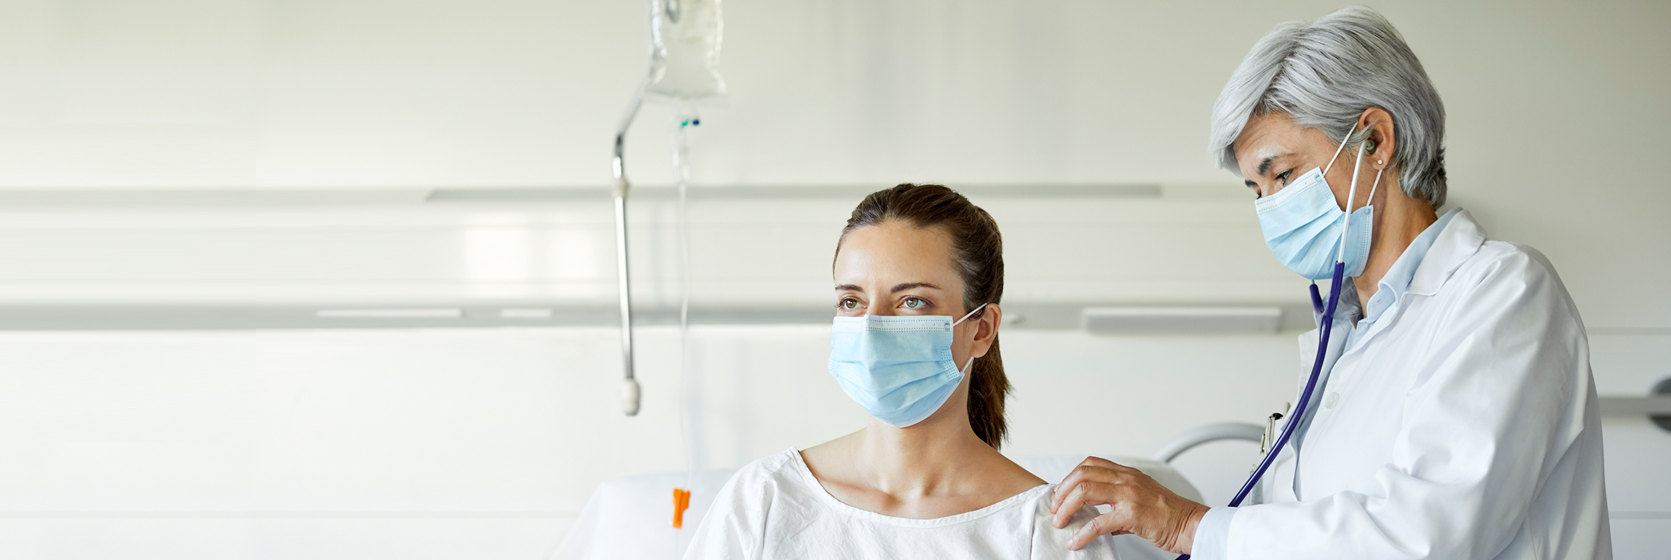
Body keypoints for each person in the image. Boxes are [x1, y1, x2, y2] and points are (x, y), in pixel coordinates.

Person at [1048, 6, 1612, 559]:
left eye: (1283, 175)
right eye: (1256, 190)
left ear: (1375, 140)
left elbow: (1425, 537)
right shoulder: (1344, 334)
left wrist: (1188, 525)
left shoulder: (1503, 292)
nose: (1270, 208)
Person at [681, 184, 1122, 559]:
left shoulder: (1050, 529)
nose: (872, 328)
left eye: (912, 301)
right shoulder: (766, 500)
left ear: (981, 330)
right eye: (851, 301)